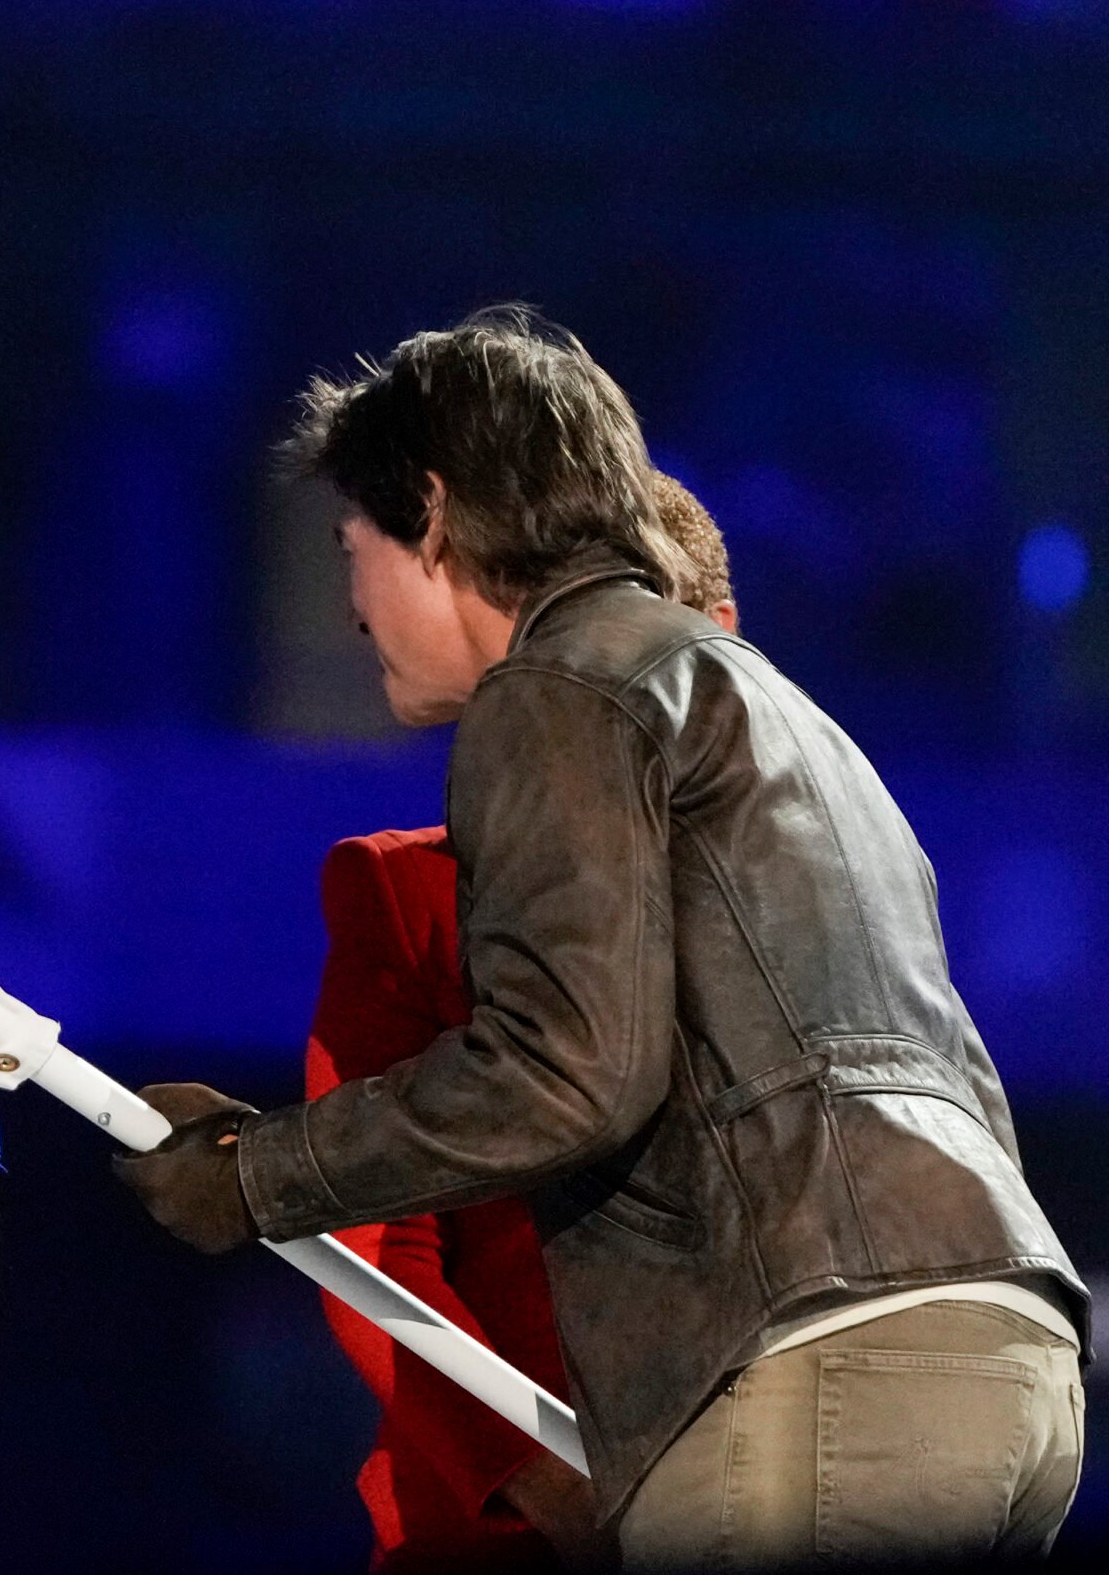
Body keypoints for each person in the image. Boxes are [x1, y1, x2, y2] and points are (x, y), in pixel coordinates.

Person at [117, 307, 1086, 1567]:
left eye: (352, 544)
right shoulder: (794, 716)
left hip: (810, 1366)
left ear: (433, 507)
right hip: (1002, 1353)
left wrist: (257, 1173)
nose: (351, 606)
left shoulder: (561, 685)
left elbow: (569, 1071)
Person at [308, 472, 738, 1574]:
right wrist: (542, 1480)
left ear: (718, 643)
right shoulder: (407, 894)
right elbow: (371, 1241)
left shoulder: (800, 904)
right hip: (502, 1529)